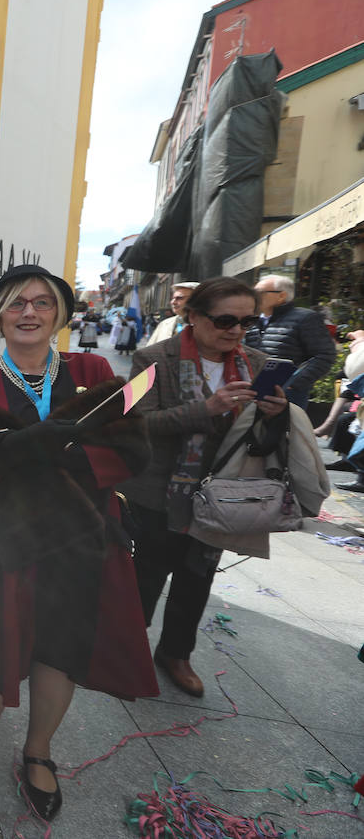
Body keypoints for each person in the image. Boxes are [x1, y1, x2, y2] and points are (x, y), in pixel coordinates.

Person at [0, 264, 156, 821]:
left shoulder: (93, 368)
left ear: (59, 313)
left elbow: (131, 452)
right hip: (8, 542)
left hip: (81, 541)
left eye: (41, 302)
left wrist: (54, 456)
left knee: (60, 652)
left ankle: (39, 751)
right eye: (15, 303)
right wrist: (31, 444)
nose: (28, 312)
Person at [122, 277, 287, 698]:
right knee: (147, 574)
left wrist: (275, 413)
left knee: (197, 577)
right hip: (159, 491)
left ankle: (176, 652)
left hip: (223, 494)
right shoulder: (152, 358)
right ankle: (126, 649)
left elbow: (265, 436)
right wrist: (206, 409)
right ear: (193, 316)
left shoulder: (255, 362)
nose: (235, 330)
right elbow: (132, 422)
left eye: (247, 321)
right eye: (225, 319)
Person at [244, 274, 336, 409]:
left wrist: (293, 383)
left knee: (284, 429)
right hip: (252, 391)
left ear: (281, 296)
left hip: (289, 394)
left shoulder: (306, 318)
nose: (254, 297)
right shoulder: (251, 320)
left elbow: (325, 355)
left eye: (259, 293)